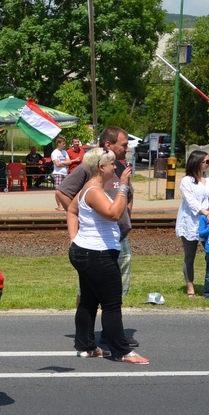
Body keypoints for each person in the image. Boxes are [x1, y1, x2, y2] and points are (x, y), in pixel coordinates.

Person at [56, 126, 138, 347]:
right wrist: (82, 226)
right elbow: (63, 192)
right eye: (123, 144)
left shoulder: (119, 167)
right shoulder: (90, 167)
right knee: (92, 294)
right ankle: (96, 338)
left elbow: (128, 194)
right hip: (96, 244)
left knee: (114, 292)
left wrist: (127, 215)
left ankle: (109, 332)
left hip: (117, 239)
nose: (127, 148)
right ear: (108, 145)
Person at [65, 147, 148, 364]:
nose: (115, 166)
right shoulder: (93, 190)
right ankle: (121, 350)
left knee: (89, 302)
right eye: (112, 163)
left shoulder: (88, 188)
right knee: (111, 304)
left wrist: (74, 237)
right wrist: (122, 186)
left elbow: (72, 210)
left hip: (87, 252)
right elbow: (114, 213)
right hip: (96, 255)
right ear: (101, 168)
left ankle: (86, 347)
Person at [175, 150, 209, 297]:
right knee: (190, 256)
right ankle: (190, 288)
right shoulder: (186, 181)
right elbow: (191, 202)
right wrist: (207, 213)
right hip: (191, 222)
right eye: (206, 161)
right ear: (197, 163)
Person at [51, 137, 72, 206]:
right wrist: (64, 163)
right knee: (58, 190)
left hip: (65, 173)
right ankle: (59, 205)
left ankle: (64, 204)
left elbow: (69, 162)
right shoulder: (55, 153)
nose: (64, 145)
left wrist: (62, 163)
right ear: (58, 143)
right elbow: (57, 164)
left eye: (65, 143)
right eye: (63, 143)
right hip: (58, 173)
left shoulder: (64, 152)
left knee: (65, 190)